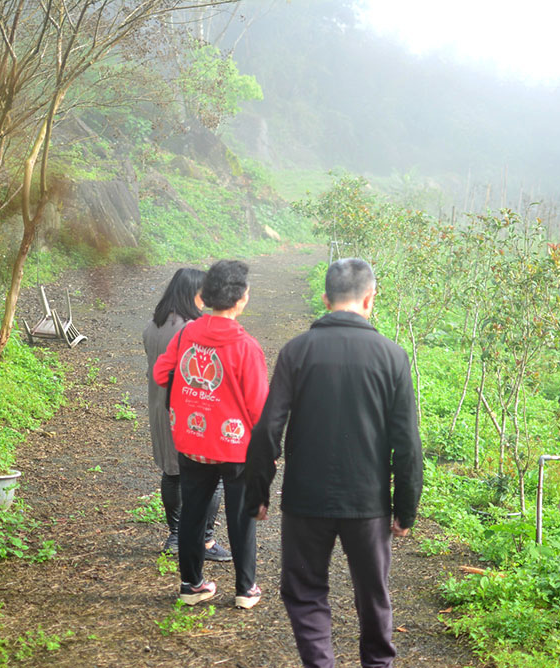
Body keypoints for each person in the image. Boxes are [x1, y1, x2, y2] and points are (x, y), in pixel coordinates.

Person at [245, 257, 423, 668]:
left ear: (325, 299)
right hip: (369, 505)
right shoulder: (392, 357)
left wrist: (258, 493)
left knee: (305, 591)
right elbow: (407, 443)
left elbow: (267, 429)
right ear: (370, 298)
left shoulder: (296, 351)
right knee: (374, 596)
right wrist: (405, 507)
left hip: (306, 502)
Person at [153, 260, 268, 609]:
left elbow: (162, 374)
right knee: (240, 517)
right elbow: (259, 407)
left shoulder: (186, 334)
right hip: (234, 448)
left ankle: (191, 586)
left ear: (203, 297)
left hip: (191, 440)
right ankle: (245, 590)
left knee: (192, 513)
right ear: (242, 299)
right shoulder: (247, 346)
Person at [143, 268, 231, 562]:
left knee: (171, 473)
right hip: (189, 414)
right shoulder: (192, 328)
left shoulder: (153, 325)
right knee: (211, 476)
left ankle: (175, 536)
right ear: (192, 292)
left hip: (159, 409)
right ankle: (205, 541)